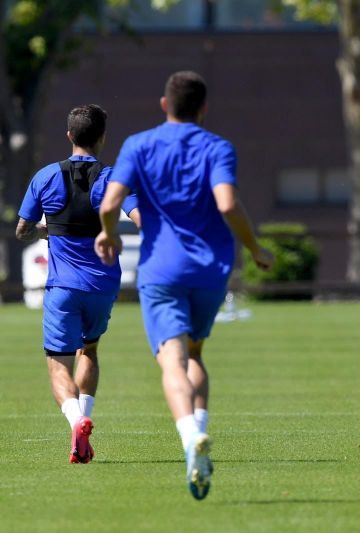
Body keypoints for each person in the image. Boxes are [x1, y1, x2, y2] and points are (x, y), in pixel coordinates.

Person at [95, 71, 274, 500]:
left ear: (164, 104)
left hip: (161, 270)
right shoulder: (217, 147)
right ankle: (202, 431)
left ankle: (190, 436)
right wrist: (253, 247)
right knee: (195, 352)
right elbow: (227, 203)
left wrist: (108, 232)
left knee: (171, 361)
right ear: (204, 108)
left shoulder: (139, 144)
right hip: (211, 269)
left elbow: (111, 203)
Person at [16, 104, 140, 463]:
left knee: (58, 364)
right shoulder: (116, 179)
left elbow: (22, 230)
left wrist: (49, 230)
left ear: (69, 135)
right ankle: (85, 417)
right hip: (103, 285)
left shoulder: (45, 177)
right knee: (90, 350)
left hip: (63, 288)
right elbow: (142, 218)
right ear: (103, 137)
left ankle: (77, 419)